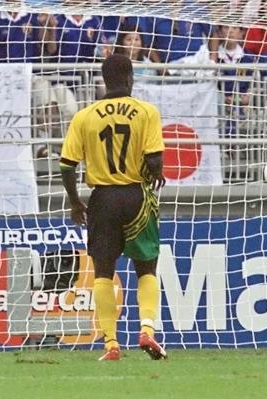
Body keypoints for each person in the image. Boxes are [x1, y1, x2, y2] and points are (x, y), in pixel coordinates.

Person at [59, 54, 167, 361]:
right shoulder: (146, 111)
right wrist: (156, 173)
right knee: (146, 267)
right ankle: (147, 329)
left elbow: (66, 165)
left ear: (104, 81)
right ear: (130, 78)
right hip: (136, 196)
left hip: (102, 198)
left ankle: (110, 344)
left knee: (103, 272)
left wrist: (74, 201)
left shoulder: (84, 116)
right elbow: (154, 160)